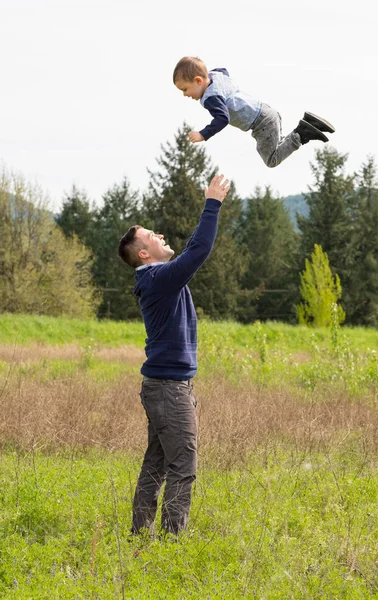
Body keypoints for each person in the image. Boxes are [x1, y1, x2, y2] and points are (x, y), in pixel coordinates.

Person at [118, 174, 230, 536]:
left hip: (165, 386)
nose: (160, 235)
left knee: (158, 463)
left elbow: (189, 256)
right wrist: (212, 203)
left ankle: (140, 533)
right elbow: (197, 251)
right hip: (168, 388)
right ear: (144, 253)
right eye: (152, 236)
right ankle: (172, 541)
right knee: (183, 465)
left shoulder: (158, 278)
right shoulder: (157, 279)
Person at [173, 56, 335, 168]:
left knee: (272, 159)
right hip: (267, 111)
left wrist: (203, 134)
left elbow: (222, 118)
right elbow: (224, 70)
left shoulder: (211, 98)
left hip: (261, 124)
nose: (185, 94)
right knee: (277, 145)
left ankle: (303, 133)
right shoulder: (216, 76)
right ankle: (310, 123)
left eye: (185, 89)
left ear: (198, 81)